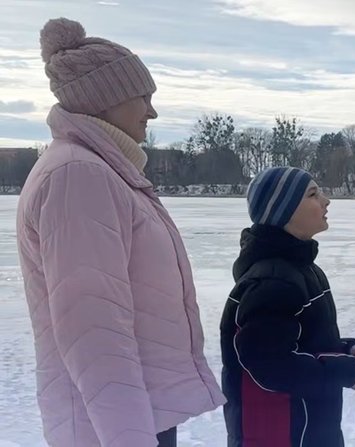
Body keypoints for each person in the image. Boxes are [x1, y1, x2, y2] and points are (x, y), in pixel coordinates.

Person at [16, 18, 225, 447]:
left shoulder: (103, 171)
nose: (152, 111)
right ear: (105, 99)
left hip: (131, 416)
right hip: (115, 427)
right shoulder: (79, 176)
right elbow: (94, 332)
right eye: (142, 97)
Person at [220, 167, 355, 447]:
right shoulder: (272, 281)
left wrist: (346, 350)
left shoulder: (302, 269)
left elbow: (301, 342)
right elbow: (270, 365)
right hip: (278, 436)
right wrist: (344, 371)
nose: (326, 201)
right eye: (313, 194)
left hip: (309, 431)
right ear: (283, 211)